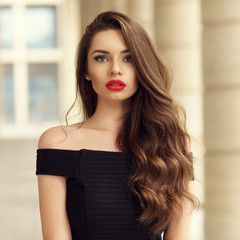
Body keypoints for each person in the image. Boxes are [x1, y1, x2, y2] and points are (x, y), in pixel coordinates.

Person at [36, 11, 198, 240]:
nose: (115, 69)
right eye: (101, 58)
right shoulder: (58, 142)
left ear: (142, 67)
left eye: (128, 58)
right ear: (86, 71)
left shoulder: (171, 145)